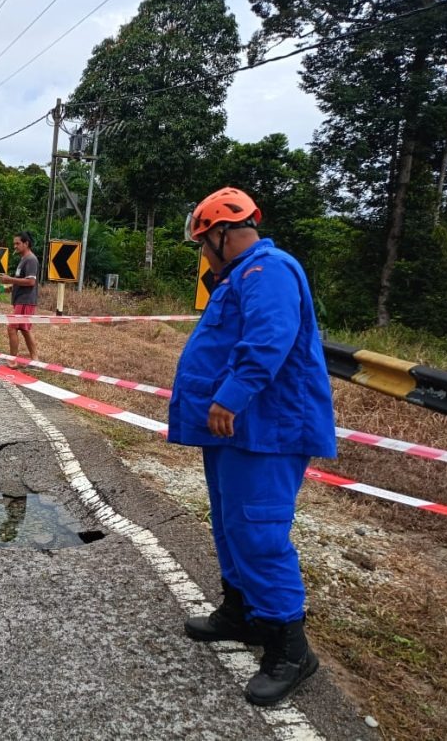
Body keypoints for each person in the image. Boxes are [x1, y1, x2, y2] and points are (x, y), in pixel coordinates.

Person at [169, 187, 336, 706]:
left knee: (260, 534)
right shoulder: (237, 277)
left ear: (221, 234)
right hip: (234, 431)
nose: (202, 252)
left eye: (203, 242)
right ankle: (240, 611)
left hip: (266, 429)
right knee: (230, 523)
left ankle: (290, 647)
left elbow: (270, 338)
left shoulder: (269, 270)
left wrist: (232, 397)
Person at [0, 231, 39, 366]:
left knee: (12, 328)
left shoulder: (31, 260)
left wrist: (10, 279)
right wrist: (9, 287)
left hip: (25, 300)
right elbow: (22, 281)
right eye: (14, 243)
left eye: (18, 243)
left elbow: (31, 282)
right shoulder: (23, 260)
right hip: (21, 299)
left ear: (26, 243)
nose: (15, 246)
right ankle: (35, 360)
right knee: (25, 329)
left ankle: (13, 360)